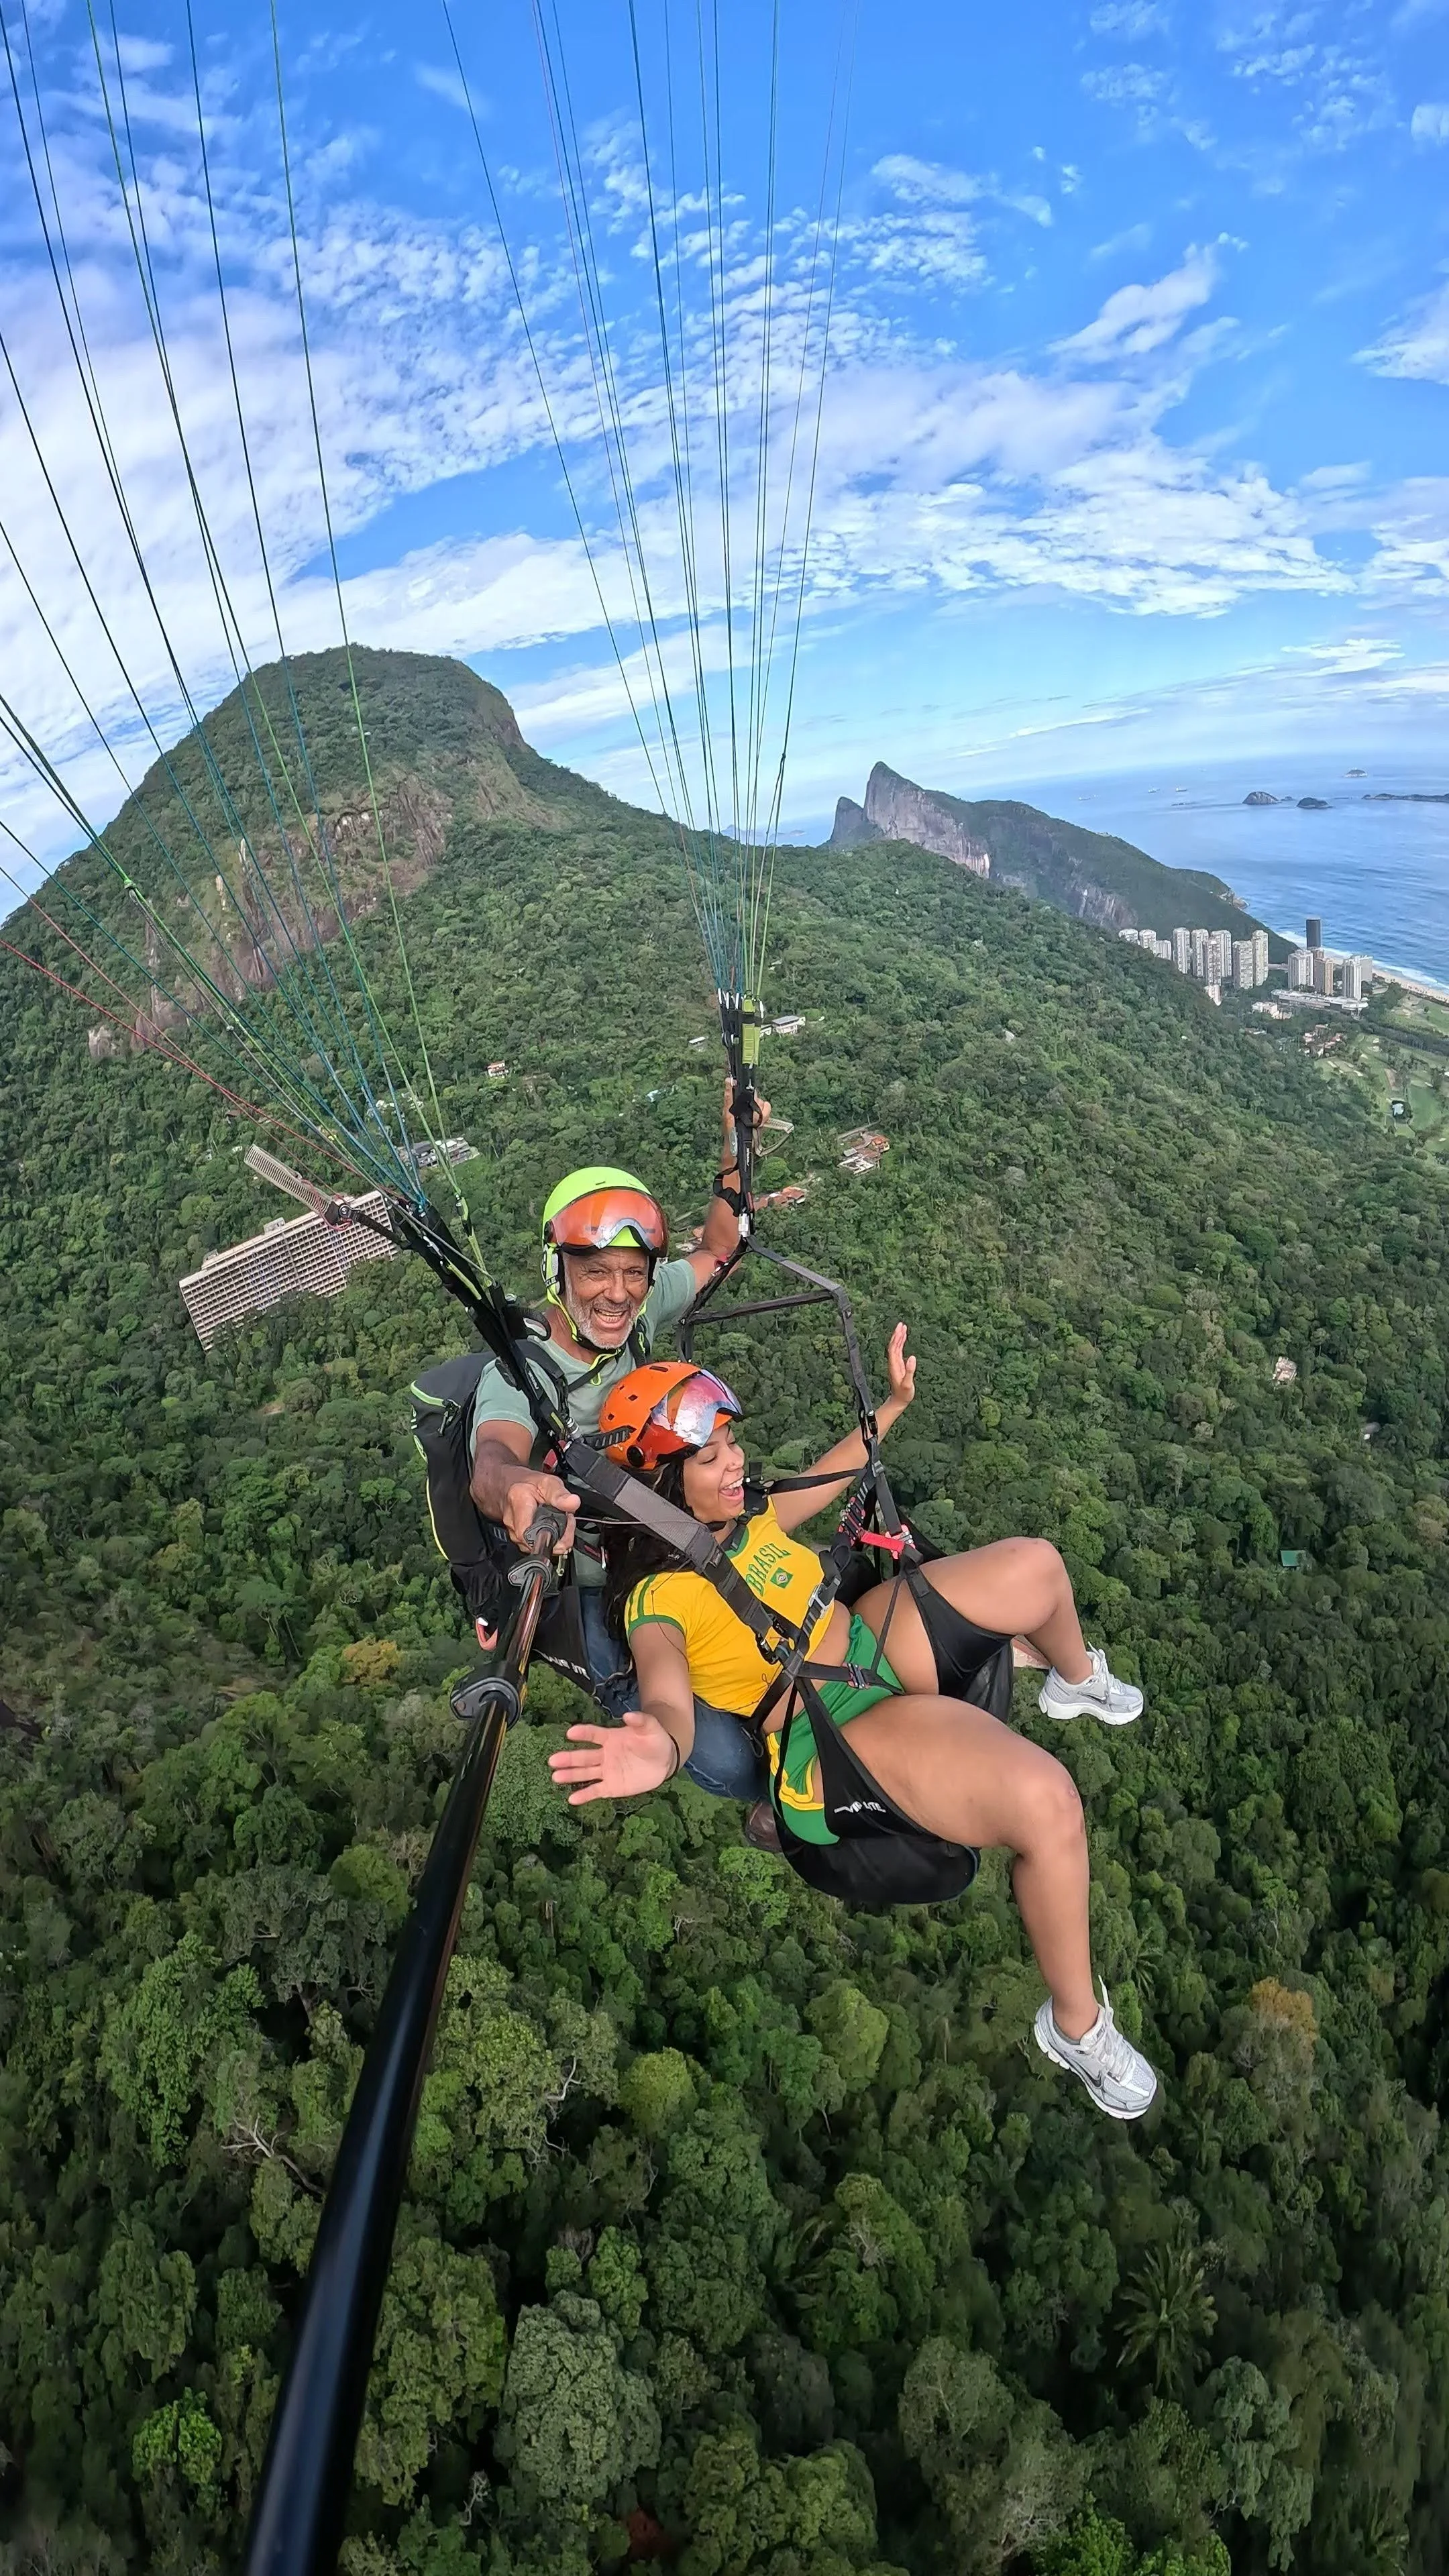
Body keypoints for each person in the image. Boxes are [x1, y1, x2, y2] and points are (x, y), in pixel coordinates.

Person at [548, 1332, 1159, 2122]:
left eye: (731, 1442)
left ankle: (1074, 1682)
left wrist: (891, 1409)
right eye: (711, 1457)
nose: (735, 1462)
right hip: (829, 1733)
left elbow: (832, 1474)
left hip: (862, 1640)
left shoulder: (748, 1514)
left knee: (1038, 1566)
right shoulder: (659, 1602)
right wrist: (657, 1748)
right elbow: (668, 1700)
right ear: (663, 1483)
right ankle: (1077, 2028)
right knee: (1048, 1802)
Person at [468, 1081, 767, 1801]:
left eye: (634, 1273)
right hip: (600, 1589)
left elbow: (722, 1248)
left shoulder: (638, 1313)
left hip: (669, 1544)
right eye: (595, 1271)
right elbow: (491, 1459)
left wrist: (735, 1144)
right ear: (558, 1270)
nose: (618, 1292)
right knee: (730, 1762)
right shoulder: (525, 1368)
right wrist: (517, 1488)